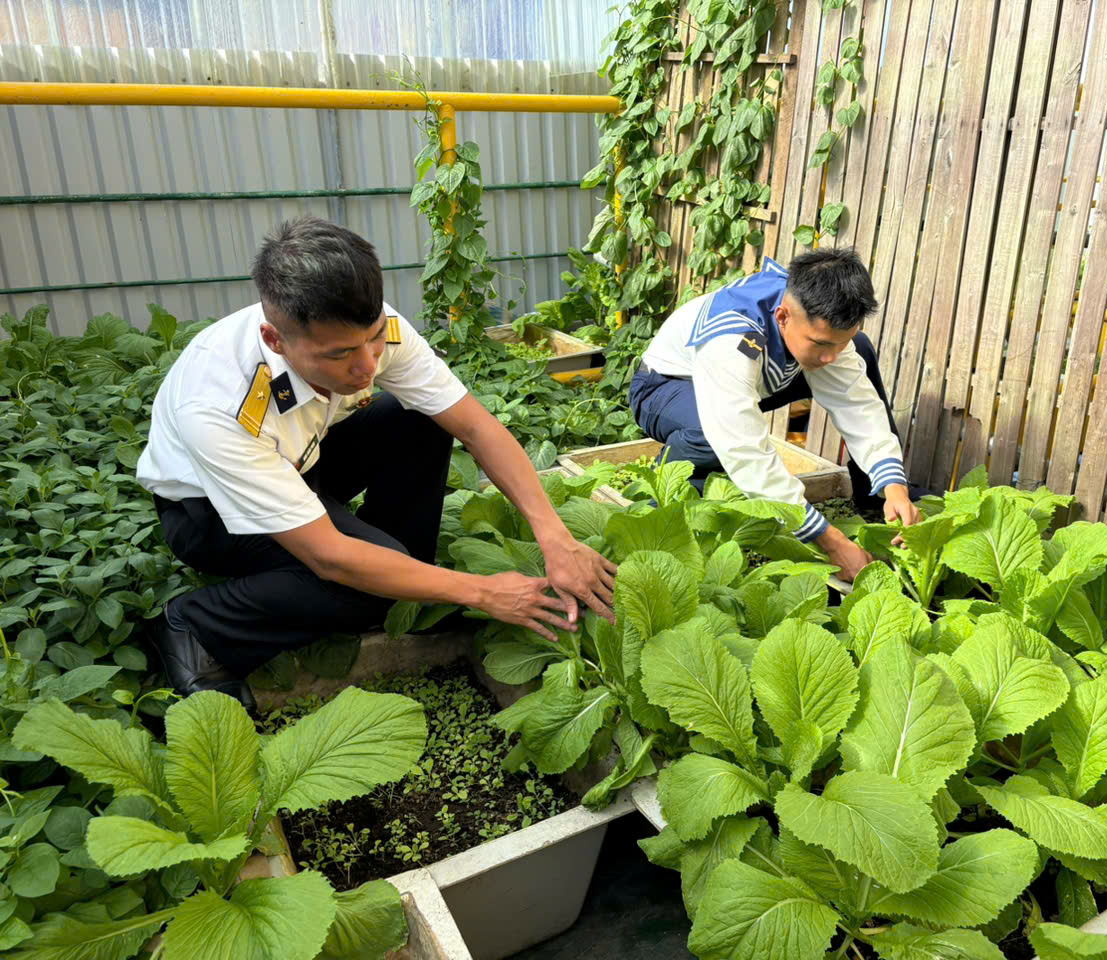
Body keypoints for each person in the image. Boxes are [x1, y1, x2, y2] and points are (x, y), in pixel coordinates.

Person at [136, 216, 615, 711]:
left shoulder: (370, 328)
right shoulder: (218, 406)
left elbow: (475, 427)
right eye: (340, 354)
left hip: (302, 462)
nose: (367, 365)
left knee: (425, 420)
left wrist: (556, 538)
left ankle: (397, 573)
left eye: (371, 340)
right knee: (359, 582)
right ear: (276, 340)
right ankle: (196, 625)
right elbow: (330, 556)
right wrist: (480, 592)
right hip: (207, 511)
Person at [629, 248, 920, 581]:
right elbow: (742, 445)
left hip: (749, 381)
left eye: (840, 343)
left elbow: (857, 404)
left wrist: (894, 486)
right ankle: (662, 501)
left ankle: (876, 499)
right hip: (664, 387)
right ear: (782, 317)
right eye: (821, 344)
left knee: (862, 351)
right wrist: (829, 540)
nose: (831, 357)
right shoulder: (733, 339)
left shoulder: (812, 311)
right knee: (712, 436)